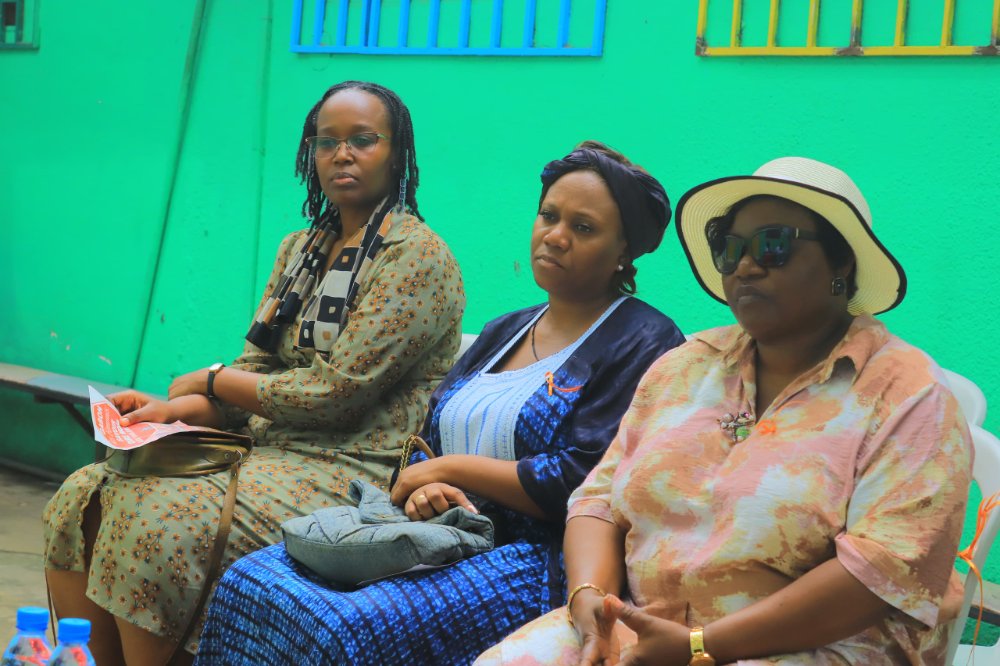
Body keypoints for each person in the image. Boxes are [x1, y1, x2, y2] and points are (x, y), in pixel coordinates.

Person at [193, 141, 687, 665]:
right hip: (439, 531)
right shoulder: (507, 329)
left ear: (624, 251)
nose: (555, 236)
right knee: (251, 581)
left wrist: (450, 470)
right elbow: (427, 440)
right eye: (549, 215)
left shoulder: (644, 340)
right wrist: (428, 486)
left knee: (347, 628)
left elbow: (583, 480)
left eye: (583, 228)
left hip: (536, 557)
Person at [477, 157, 973, 665]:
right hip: (642, 631)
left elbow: (878, 571)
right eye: (730, 248)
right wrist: (590, 604)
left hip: (816, 648)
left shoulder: (909, 395)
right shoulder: (684, 366)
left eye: (773, 245)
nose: (745, 266)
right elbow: (597, 502)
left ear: (841, 262)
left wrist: (700, 646)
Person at [42, 80, 465, 666]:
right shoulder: (302, 249)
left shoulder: (415, 256)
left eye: (363, 140)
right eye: (327, 142)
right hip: (265, 449)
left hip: (351, 468)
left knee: (154, 516)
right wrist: (171, 413)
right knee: (82, 491)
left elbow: (334, 395)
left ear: (397, 153)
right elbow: (258, 369)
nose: (342, 154)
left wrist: (211, 381)